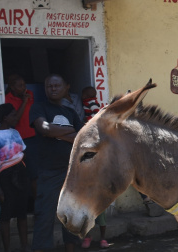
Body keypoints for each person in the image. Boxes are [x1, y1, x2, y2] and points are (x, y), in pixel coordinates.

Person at [29, 74, 83, 252]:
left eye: (56, 85)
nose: (52, 89)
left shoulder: (71, 113)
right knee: (44, 217)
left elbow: (81, 137)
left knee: (71, 217)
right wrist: (68, 132)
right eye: (49, 86)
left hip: (70, 173)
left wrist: (55, 132)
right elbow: (43, 128)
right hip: (48, 172)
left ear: (66, 87)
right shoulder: (38, 108)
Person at [0, 103, 29, 252]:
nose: (16, 117)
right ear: (5, 118)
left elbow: (23, 153)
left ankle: (25, 247)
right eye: (13, 115)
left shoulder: (15, 133)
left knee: (22, 214)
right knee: (5, 216)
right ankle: (7, 249)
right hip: (5, 179)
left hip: (20, 177)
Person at [80, 86, 109, 249]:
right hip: (88, 192)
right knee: (87, 215)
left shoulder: (91, 104)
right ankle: (89, 237)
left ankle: (103, 238)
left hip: (98, 191)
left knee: (101, 215)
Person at [4, 73, 38, 207]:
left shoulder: (29, 94)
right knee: (21, 175)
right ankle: (24, 206)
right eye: (19, 86)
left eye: (24, 85)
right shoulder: (8, 99)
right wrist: (24, 102)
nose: (23, 88)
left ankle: (37, 206)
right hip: (18, 140)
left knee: (35, 173)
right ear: (12, 87)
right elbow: (15, 120)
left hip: (33, 138)